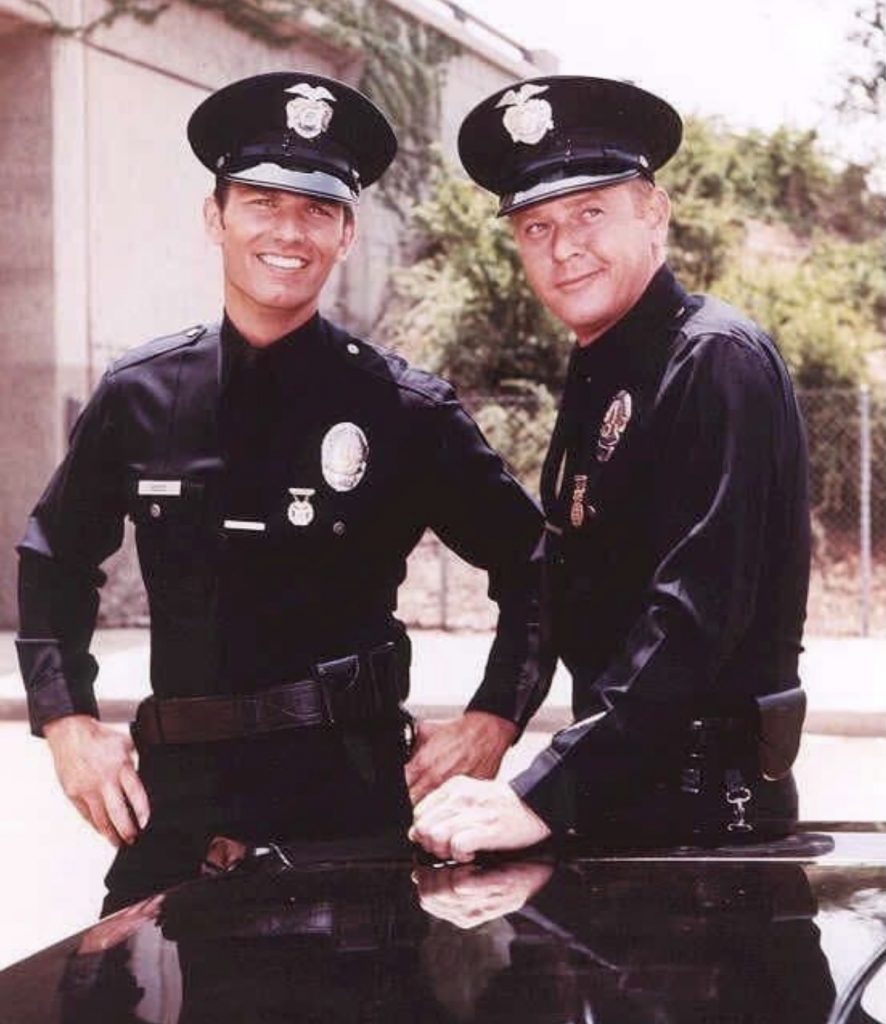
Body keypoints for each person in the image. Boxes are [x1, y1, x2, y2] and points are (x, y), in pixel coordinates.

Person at [14, 72, 550, 896]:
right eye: (262, 202)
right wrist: (66, 720)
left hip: (348, 805)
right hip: (179, 808)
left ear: (344, 235)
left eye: (316, 210)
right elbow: (54, 557)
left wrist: (495, 715)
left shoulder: (403, 409)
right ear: (215, 216)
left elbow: (536, 562)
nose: (287, 232)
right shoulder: (140, 393)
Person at [411, 75, 811, 861]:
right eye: (535, 227)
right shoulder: (605, 369)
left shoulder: (712, 361)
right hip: (625, 798)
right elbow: (560, 574)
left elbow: (692, 616)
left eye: (590, 212)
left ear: (653, 213)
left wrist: (540, 791)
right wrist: (498, 717)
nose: (563, 248)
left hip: (707, 819)